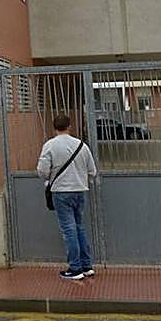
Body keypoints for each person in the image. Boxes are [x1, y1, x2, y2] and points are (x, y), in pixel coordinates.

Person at [37, 114, 98, 281]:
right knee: (79, 227)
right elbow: (92, 171)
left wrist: (50, 177)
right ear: (69, 126)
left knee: (68, 229)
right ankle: (87, 266)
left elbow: (42, 170)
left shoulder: (50, 145)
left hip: (61, 192)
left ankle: (75, 268)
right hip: (80, 190)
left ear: (54, 128)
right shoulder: (82, 145)